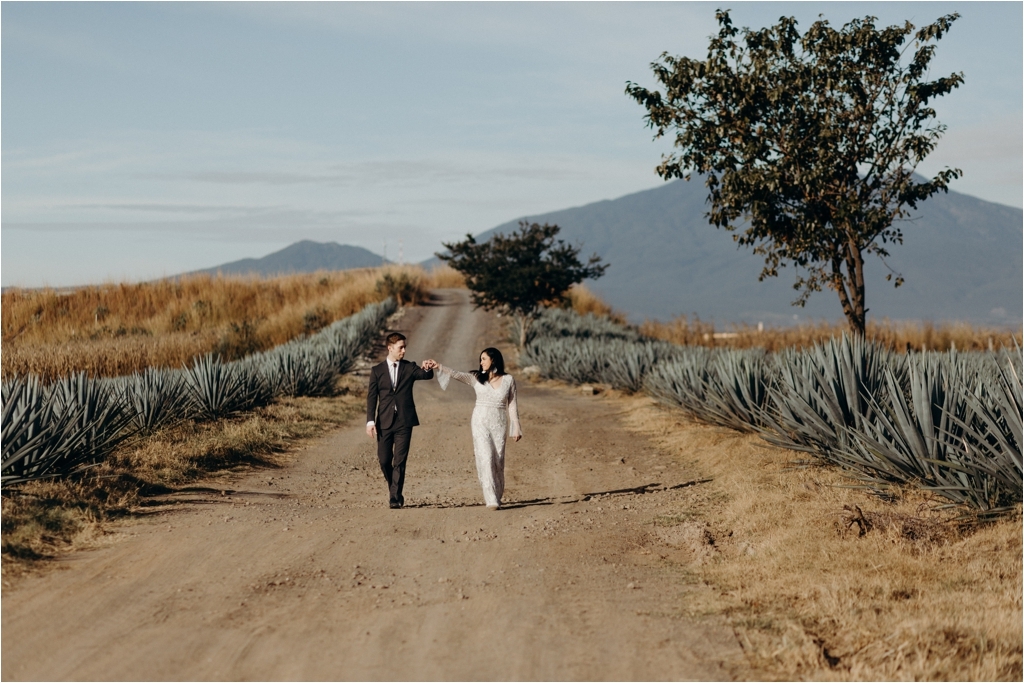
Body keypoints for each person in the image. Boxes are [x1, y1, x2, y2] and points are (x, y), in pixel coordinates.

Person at [422, 348, 522, 510]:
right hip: (479, 421)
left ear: (494, 360)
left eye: (484, 359)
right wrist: (438, 365)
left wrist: (516, 427)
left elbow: (512, 405)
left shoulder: (509, 380)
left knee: (498, 459)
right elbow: (456, 374)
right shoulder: (476, 378)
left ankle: (497, 494)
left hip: (499, 423)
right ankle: (491, 499)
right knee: (486, 456)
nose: (481, 362)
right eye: (480, 359)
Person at [366, 332, 434, 509]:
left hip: (405, 421)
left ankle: (395, 497)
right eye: (400, 347)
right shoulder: (377, 371)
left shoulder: (409, 367)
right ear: (390, 348)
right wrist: (370, 421)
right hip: (384, 422)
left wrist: (427, 367)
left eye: (405, 347)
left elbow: (425, 376)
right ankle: (393, 487)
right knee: (383, 460)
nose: (403, 351)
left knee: (400, 461)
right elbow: (372, 398)